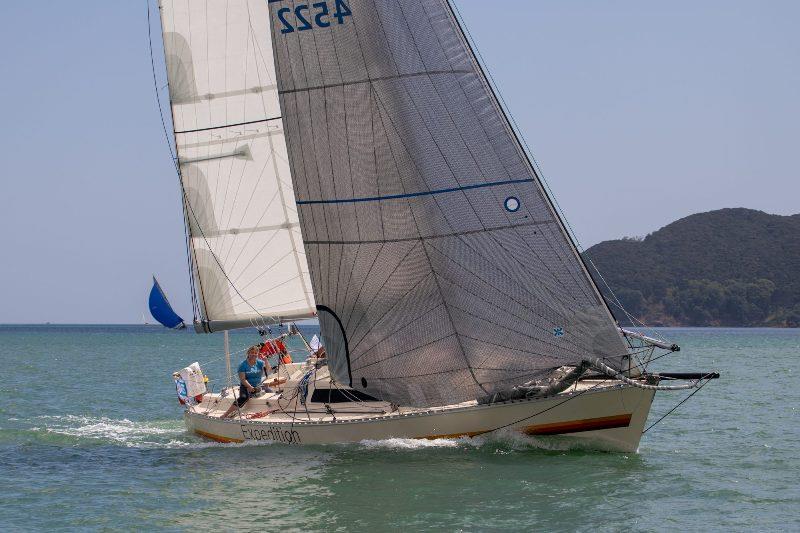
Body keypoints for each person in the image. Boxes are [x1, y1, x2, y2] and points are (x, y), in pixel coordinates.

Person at [222, 346, 271, 418]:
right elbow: (243, 379)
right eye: (252, 353)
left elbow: (268, 369)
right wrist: (250, 387)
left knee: (272, 392)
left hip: (258, 386)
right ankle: (226, 414)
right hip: (246, 386)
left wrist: (266, 360)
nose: (254, 354)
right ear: (248, 353)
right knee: (243, 397)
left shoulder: (260, 363)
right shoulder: (243, 365)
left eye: (255, 353)